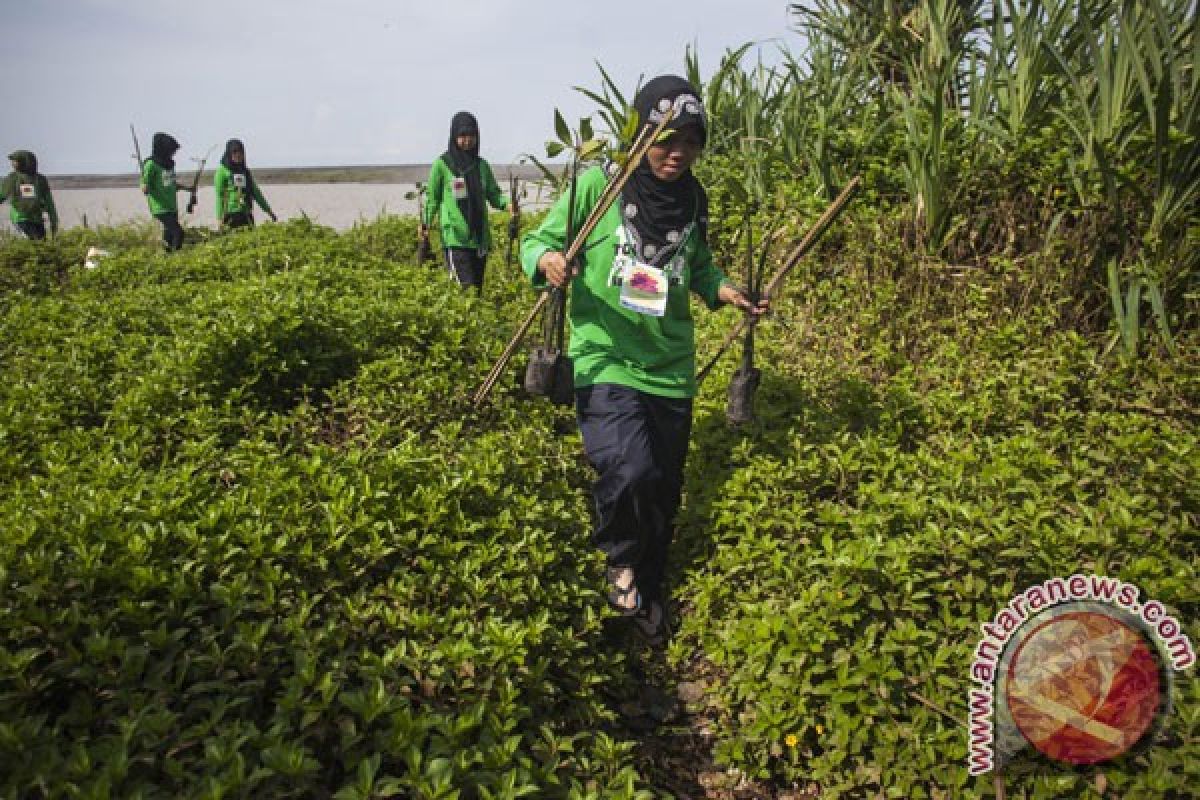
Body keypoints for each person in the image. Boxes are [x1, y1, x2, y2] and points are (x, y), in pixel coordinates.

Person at [520, 76, 767, 645]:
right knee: (631, 471)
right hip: (605, 355)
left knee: (662, 491)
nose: (676, 154)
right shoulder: (596, 188)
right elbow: (534, 242)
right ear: (638, 137)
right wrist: (550, 259)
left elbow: (700, 268)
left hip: (672, 367)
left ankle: (648, 596)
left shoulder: (693, 200)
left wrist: (727, 292)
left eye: (690, 142)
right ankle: (620, 567)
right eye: (663, 140)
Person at [421, 112, 514, 291]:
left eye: (471, 135)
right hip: (456, 240)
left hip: (479, 240)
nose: (467, 140)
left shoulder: (482, 166)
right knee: (465, 291)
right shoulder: (442, 165)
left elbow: (494, 195)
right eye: (462, 135)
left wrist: (508, 205)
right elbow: (433, 200)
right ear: (454, 136)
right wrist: (425, 223)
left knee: (476, 292)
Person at [141, 132, 193, 251]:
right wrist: (145, 187)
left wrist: (187, 188)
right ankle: (176, 258)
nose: (173, 154)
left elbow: (171, 185)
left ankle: (168, 257)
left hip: (171, 206)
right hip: (160, 208)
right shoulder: (151, 164)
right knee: (178, 233)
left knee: (169, 237)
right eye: (171, 151)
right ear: (163, 149)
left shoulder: (169, 164)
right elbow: (144, 184)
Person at [214, 138, 277, 230]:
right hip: (230, 215)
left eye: (241, 152)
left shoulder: (245, 171)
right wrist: (219, 219)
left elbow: (256, 193)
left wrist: (269, 211)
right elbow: (220, 196)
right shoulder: (222, 171)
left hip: (246, 214)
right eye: (234, 152)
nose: (238, 155)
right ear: (229, 153)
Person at [0, 150, 58, 240]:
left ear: (26, 162)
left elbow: (49, 202)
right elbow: (2, 195)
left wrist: (54, 221)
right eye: (12, 161)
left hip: (37, 219)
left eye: (16, 161)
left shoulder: (40, 180)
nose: (12, 164)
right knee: (32, 242)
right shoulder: (13, 178)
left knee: (42, 244)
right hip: (20, 218)